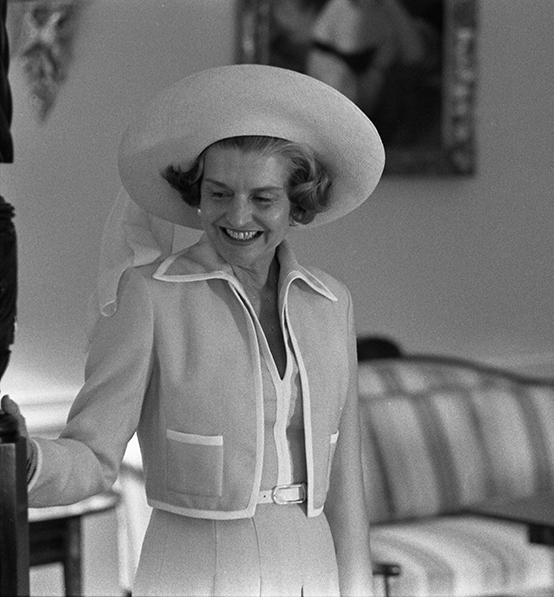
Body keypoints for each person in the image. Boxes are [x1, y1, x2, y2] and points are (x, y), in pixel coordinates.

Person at [0, 64, 384, 596]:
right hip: (194, 572)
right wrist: (19, 458)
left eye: (263, 198)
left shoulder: (331, 303)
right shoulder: (150, 297)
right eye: (219, 193)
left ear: (297, 201)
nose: (238, 216)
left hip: (311, 567)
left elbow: (346, 486)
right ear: (195, 194)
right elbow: (93, 456)